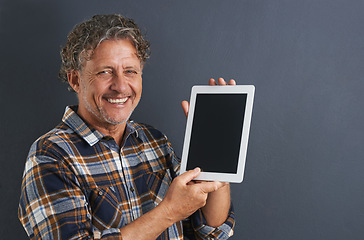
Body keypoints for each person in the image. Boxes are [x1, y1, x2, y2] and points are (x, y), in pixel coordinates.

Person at [18, 14, 235, 240]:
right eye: (105, 72)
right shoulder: (50, 155)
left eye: (130, 71)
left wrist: (216, 152)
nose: (121, 86)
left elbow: (210, 231)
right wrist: (169, 211)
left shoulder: (155, 141)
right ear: (75, 80)